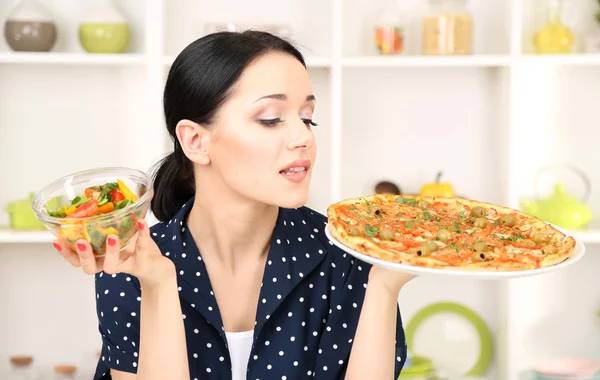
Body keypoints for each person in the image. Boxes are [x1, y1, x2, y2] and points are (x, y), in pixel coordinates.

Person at [51, 30, 417, 380]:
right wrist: (159, 286)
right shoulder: (134, 265)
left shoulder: (348, 260)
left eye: (308, 118)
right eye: (271, 119)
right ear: (195, 141)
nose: (303, 137)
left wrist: (384, 285)